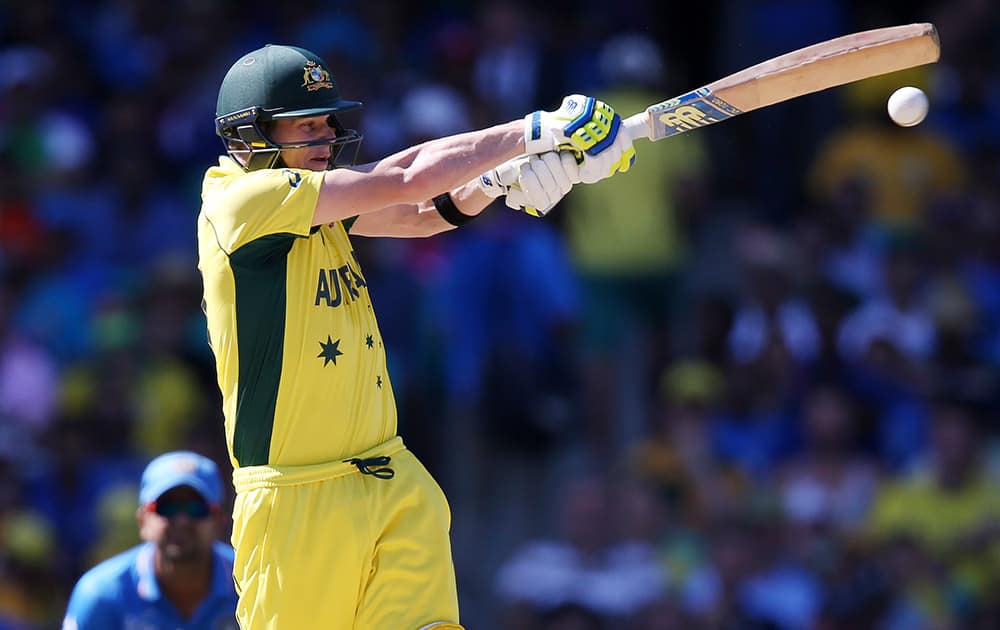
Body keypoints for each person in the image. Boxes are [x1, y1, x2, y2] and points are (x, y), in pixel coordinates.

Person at [198, 44, 636, 629]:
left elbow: (422, 214)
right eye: (307, 127)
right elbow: (405, 178)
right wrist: (536, 130)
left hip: (391, 476)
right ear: (249, 136)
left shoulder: (311, 199)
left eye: (329, 124)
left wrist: (499, 184)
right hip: (297, 500)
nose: (326, 140)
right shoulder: (241, 203)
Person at [62, 451, 237, 629]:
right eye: (166, 507)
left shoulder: (251, 583)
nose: (182, 520)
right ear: (143, 521)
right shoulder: (100, 595)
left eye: (196, 508)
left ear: (219, 520)